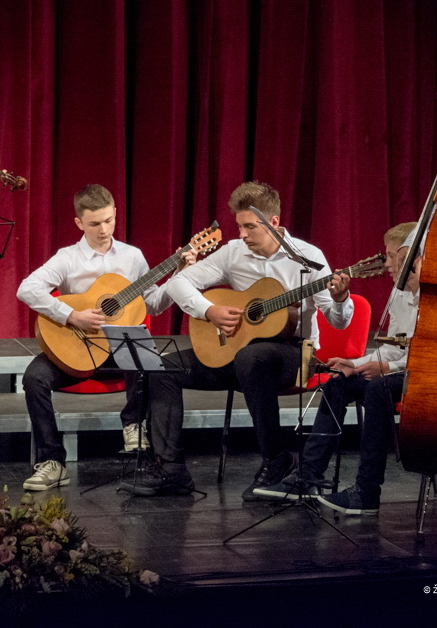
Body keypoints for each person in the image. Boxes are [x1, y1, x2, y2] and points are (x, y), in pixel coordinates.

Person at [142, 181, 352, 501]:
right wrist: (209, 310)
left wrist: (340, 300)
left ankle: (275, 458)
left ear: (274, 222)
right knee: (162, 367)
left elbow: (338, 321)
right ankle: (171, 469)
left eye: (250, 227)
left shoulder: (308, 257)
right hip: (238, 351)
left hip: (295, 354)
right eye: (239, 226)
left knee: (251, 358)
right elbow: (179, 283)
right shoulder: (233, 253)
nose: (242, 234)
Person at [16, 184, 193, 492]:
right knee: (34, 378)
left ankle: (135, 427)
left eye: (109, 220)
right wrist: (71, 315)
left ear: (115, 213)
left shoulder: (132, 256)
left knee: (140, 350)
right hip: (80, 346)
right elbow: (26, 289)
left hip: (119, 347)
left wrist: (179, 274)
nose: (104, 229)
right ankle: (52, 461)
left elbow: (153, 303)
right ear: (79, 223)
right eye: (95, 223)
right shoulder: (67, 258)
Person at [254, 222, 419, 513]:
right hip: (395, 368)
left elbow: (426, 355)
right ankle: (307, 477)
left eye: (393, 256)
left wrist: (386, 367)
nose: (387, 264)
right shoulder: (400, 294)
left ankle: (366, 493)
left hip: (421, 375)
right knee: (338, 383)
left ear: (413, 258)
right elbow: (394, 347)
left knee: (378, 389)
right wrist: (354, 364)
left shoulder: (436, 297)